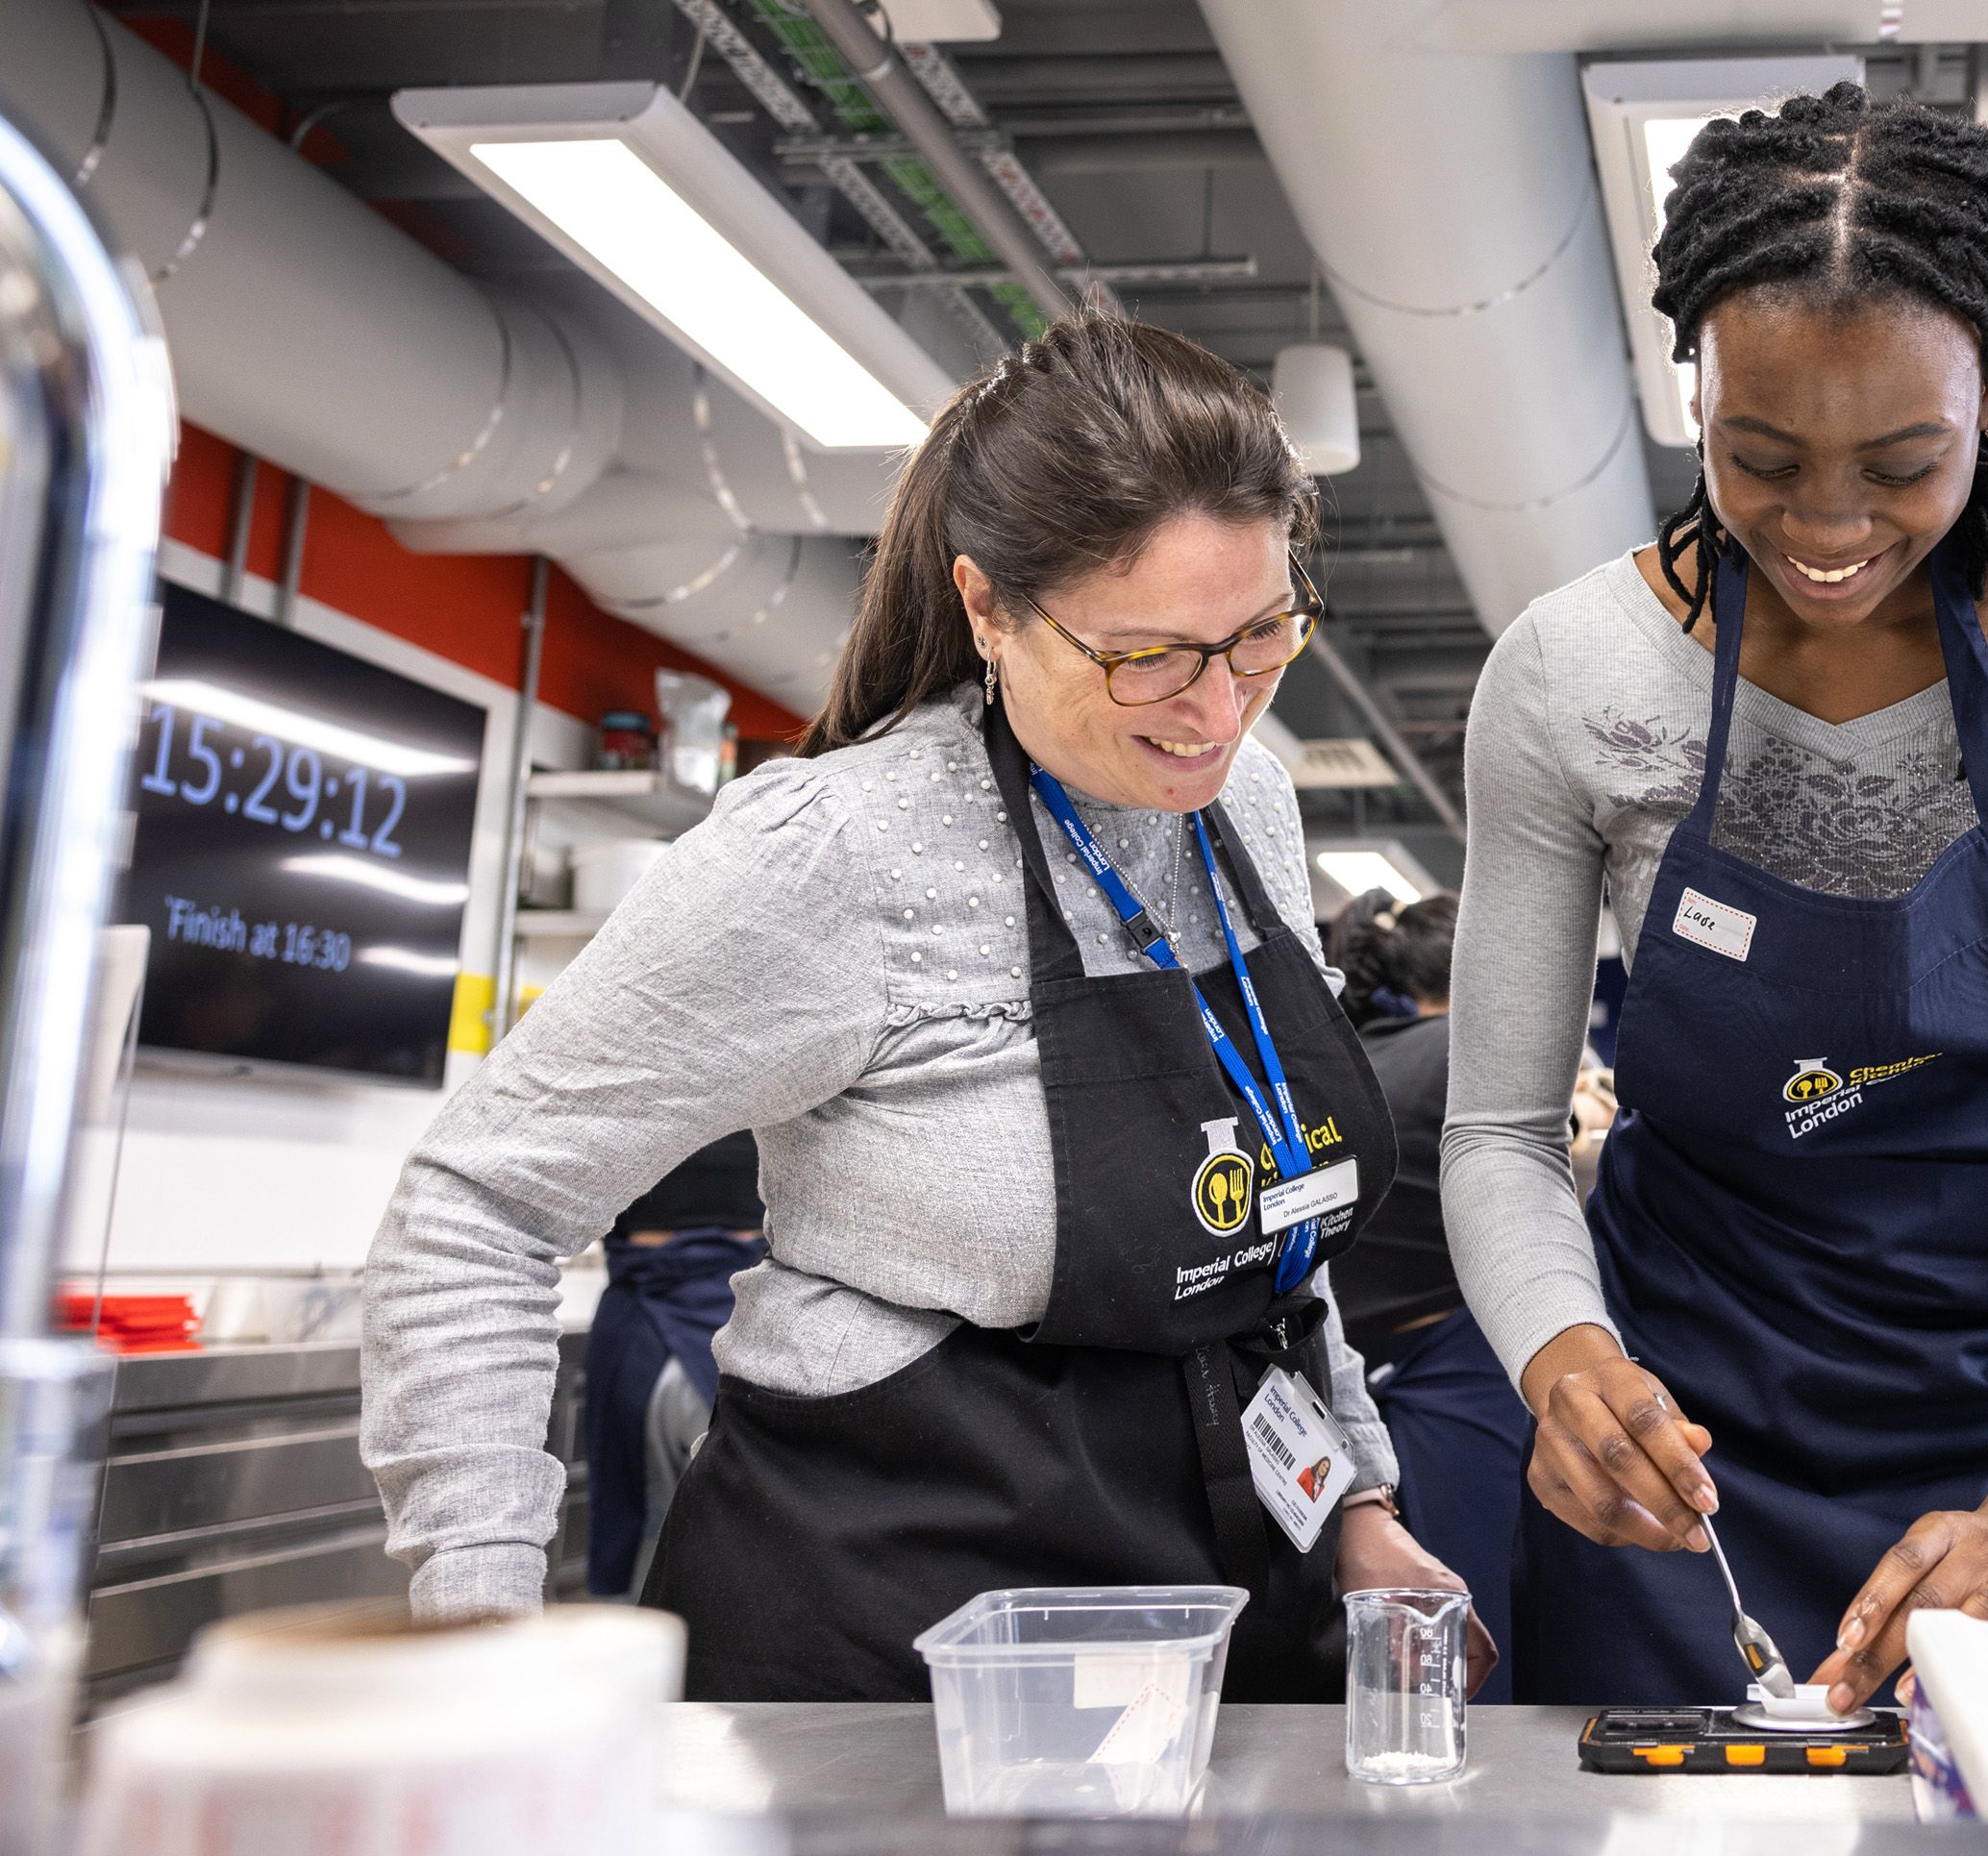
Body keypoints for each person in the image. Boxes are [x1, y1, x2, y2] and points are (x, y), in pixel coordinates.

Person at [363, 314, 1489, 1699]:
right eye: (1147, 656)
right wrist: (479, 1636)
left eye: (1260, 636)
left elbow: (1266, 1219)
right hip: (893, 1632)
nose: (1215, 709)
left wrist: (1357, 1501)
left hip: (1224, 1595)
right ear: (987, 608)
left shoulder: (1241, 802)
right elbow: (473, 1207)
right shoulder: (841, 852)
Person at [1443, 86, 1988, 1714]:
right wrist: (1565, 1362)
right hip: (1677, 1463)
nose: (1825, 527)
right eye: (1759, 456)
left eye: (1902, 465)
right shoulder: (1574, 677)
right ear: (1696, 401)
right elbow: (1502, 1135)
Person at [1324, 888, 1530, 1700]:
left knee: (1403, 1633)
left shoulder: (1347, 1059)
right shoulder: (1468, 1056)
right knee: (1485, 1612)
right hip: (1459, 1372)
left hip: (1347, 1375)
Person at [584, 1134, 767, 1602]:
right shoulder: (785, 1080)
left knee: (649, 1534)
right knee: (737, 1540)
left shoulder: (623, 1082)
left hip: (644, 1330)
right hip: (741, 1321)